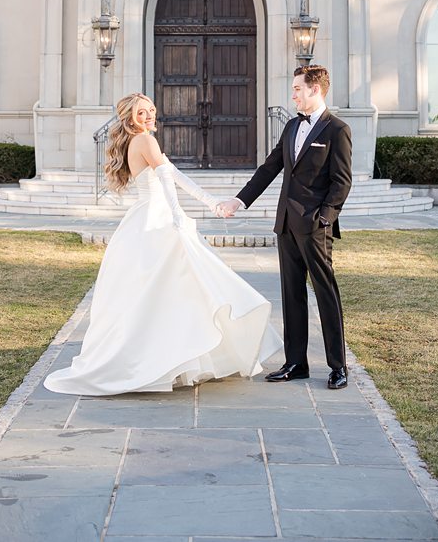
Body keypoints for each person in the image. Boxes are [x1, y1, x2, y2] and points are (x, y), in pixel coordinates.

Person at [43, 93, 282, 396]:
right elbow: (168, 182)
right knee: (179, 287)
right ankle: (167, 358)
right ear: (130, 118)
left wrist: (212, 203)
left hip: (145, 218)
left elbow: (175, 175)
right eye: (142, 113)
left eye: (151, 111)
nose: (149, 117)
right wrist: (177, 215)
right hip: (157, 220)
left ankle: (173, 358)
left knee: (167, 290)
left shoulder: (138, 141)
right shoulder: (144, 141)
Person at [213, 64, 352, 389]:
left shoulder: (337, 130)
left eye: (297, 89)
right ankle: (295, 363)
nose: (293, 95)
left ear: (315, 89)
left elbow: (341, 182)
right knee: (292, 295)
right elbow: (270, 168)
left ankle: (338, 367)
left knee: (325, 293)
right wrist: (239, 200)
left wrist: (324, 219)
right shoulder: (291, 126)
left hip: (315, 227)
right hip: (286, 225)